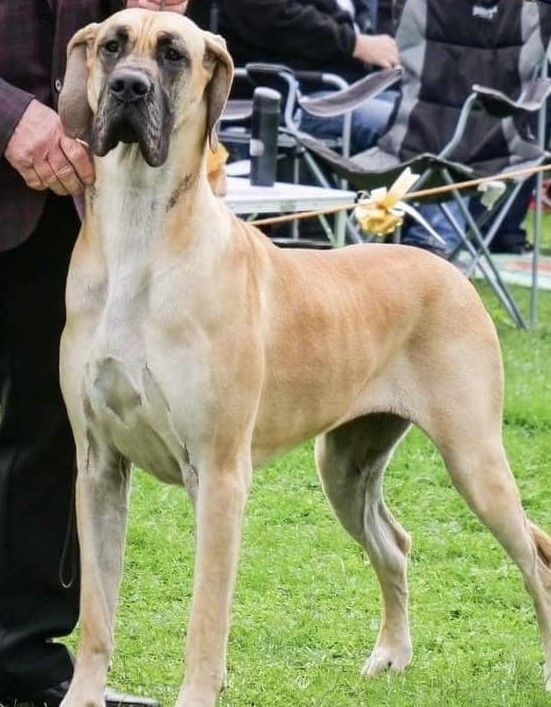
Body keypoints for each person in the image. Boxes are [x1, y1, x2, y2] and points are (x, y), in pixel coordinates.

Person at [0, 2, 186, 705]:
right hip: (24, 144)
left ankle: (23, 661)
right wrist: (8, 114)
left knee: (47, 443)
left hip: (59, 204)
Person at [218, 0, 401, 153]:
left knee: (415, 115)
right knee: (403, 126)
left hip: (344, 84)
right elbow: (271, 17)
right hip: (286, 95)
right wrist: (355, 44)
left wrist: (378, 49)